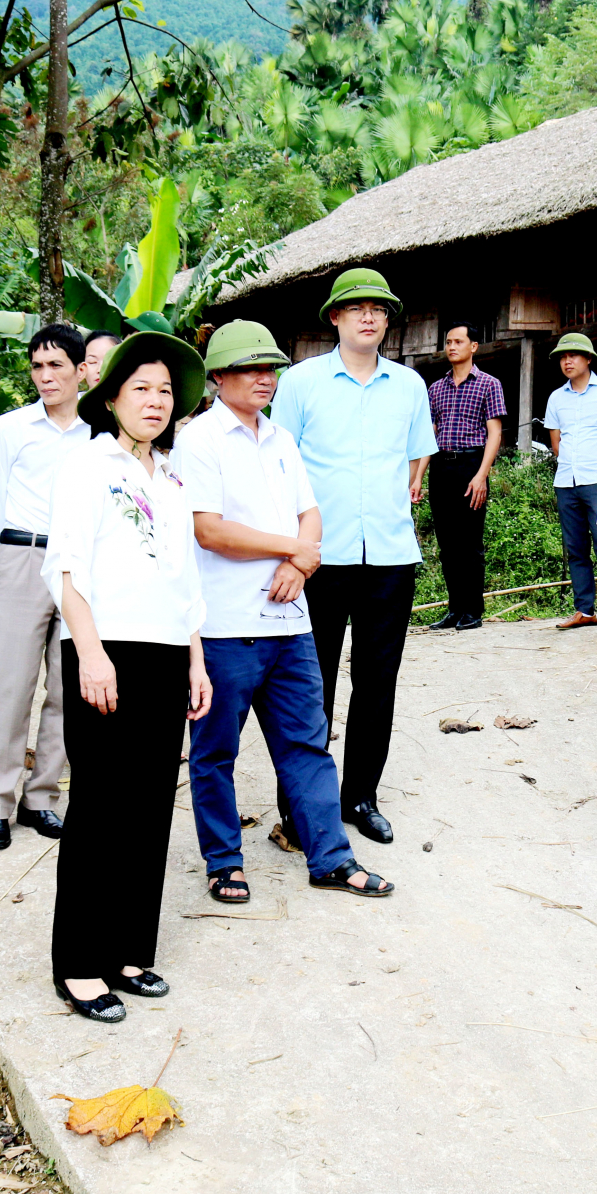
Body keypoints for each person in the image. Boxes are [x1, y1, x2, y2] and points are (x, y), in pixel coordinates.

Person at [173, 321, 394, 905]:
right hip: (225, 628)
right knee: (216, 752)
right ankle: (224, 863)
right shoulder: (199, 440)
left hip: (290, 623)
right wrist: (289, 548)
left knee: (307, 745)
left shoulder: (280, 439)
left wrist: (300, 564)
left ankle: (331, 857)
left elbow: (310, 514)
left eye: (270, 368)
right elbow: (209, 529)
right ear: (218, 377)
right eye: (249, 368)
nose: (264, 378)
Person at [42, 326, 214, 1022]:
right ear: (110, 397)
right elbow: (66, 567)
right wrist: (90, 652)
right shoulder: (88, 466)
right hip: (105, 649)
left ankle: (128, 951)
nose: (155, 400)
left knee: (147, 807)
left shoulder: (171, 478)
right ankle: (80, 964)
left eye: (166, 390)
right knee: (102, 808)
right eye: (140, 388)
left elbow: (185, 580)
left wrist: (196, 659)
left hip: (167, 653)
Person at [269, 268, 436, 847]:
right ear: (334, 318)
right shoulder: (301, 382)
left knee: (377, 681)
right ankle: (300, 804)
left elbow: (419, 458)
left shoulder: (410, 387)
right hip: (320, 559)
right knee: (309, 684)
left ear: (388, 321)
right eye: (356, 307)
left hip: (390, 557)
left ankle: (360, 796)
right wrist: (290, 551)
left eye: (379, 309)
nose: (369, 316)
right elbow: (279, 468)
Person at [0, 323, 91, 851]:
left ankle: (41, 797)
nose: (45, 376)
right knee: (11, 685)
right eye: (37, 366)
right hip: (24, 557)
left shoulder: (100, 431)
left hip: (83, 565)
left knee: (68, 687)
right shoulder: (10, 428)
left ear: (80, 370)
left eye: (56, 366)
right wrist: (23, 554)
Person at [542, 332, 597, 631]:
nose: (567, 361)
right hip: (567, 480)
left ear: (588, 359)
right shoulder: (556, 397)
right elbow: (556, 442)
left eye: (574, 355)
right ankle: (584, 610)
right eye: (563, 357)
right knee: (575, 547)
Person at [423, 322, 505, 632]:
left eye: (459, 341)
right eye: (448, 342)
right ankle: (454, 609)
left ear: (473, 346)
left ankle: (473, 610)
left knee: (470, 543)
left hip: (471, 464)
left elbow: (494, 434)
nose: (452, 346)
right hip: (441, 467)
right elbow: (429, 436)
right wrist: (417, 476)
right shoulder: (436, 388)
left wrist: (482, 475)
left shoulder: (488, 384)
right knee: (447, 544)